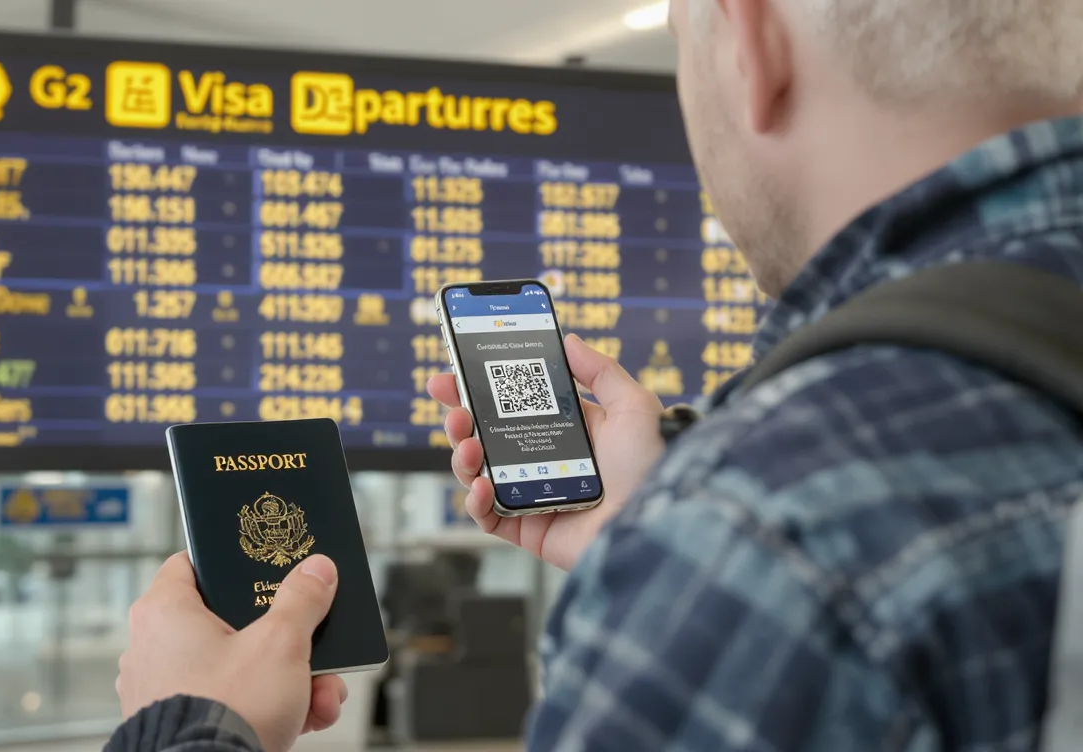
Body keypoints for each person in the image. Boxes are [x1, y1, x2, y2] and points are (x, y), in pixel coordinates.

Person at [105, 0, 1083, 749]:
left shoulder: (772, 535)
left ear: (751, 43)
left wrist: (190, 721)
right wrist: (650, 521)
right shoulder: (760, 530)